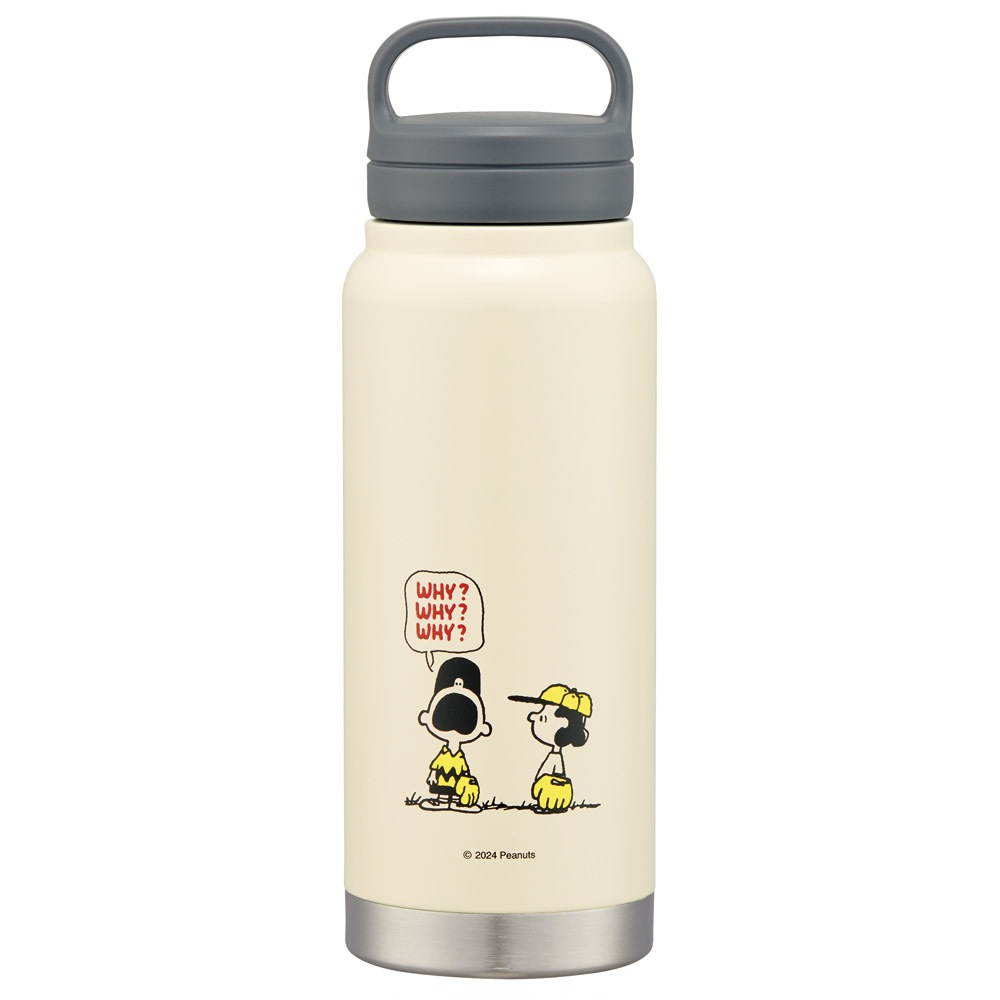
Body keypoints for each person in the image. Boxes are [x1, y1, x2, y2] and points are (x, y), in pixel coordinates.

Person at [417, 657, 492, 812]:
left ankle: (456, 801)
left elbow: (464, 771)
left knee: (454, 788)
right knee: (442, 791)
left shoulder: (459, 757)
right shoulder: (445, 756)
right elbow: (435, 767)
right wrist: (432, 775)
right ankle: (441, 801)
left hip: (455, 784)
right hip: (442, 781)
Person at [508, 684, 591, 813]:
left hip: (552, 791)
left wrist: (543, 784)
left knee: (552, 791)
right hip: (548, 788)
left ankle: (549, 804)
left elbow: (553, 774)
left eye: (543, 717)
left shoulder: (555, 756)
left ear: (564, 725)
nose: (533, 717)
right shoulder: (554, 755)